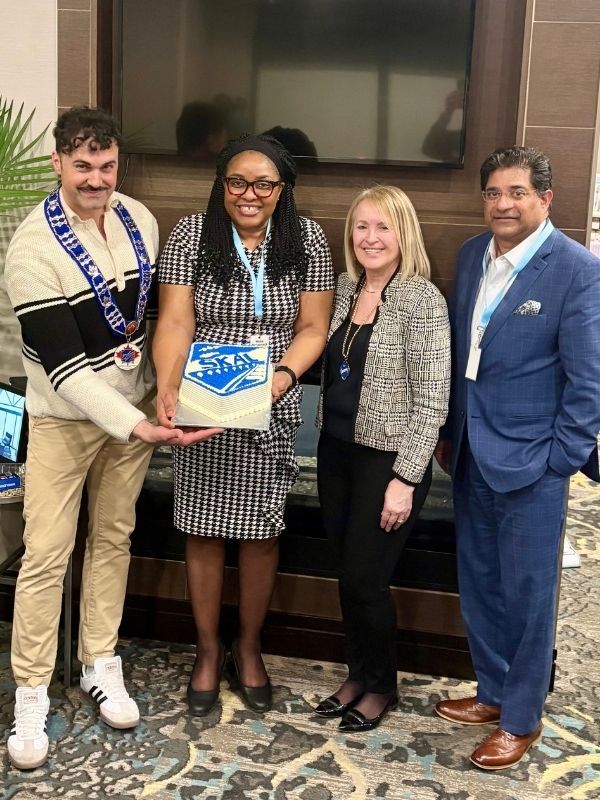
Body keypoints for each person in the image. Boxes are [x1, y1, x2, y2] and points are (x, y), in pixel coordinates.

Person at [3, 106, 219, 771]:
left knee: (114, 539)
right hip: (66, 421)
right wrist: (139, 423)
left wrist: (164, 388)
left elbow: (146, 318)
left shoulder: (140, 220)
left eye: (106, 164)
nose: (96, 179)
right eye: (82, 165)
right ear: (58, 163)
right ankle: (32, 691)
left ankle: (100, 659)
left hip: (132, 413)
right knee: (46, 552)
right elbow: (65, 370)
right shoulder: (32, 249)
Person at [153, 133, 334, 715]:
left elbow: (313, 327)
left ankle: (249, 646)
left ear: (283, 190)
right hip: (205, 403)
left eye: (263, 183)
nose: (248, 194)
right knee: (201, 528)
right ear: (221, 185)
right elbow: (176, 320)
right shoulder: (190, 234)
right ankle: (208, 649)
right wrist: (168, 382)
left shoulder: (308, 241)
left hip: (271, 400)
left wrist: (280, 378)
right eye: (237, 181)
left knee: (261, 533)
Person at [434, 146, 600, 770]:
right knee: (480, 582)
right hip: (471, 450)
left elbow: (588, 383)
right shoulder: (474, 254)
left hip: (535, 461)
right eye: (494, 193)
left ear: (545, 199)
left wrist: (563, 458)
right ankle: (494, 691)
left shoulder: (577, 269)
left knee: (529, 593)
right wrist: (453, 432)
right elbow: (461, 356)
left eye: (517, 193)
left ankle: (523, 717)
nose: (503, 205)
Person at [315, 185, 451, 732]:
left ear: (404, 234)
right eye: (362, 226)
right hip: (335, 453)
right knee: (348, 576)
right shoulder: (345, 288)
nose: (371, 238)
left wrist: (405, 479)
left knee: (368, 580)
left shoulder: (422, 301)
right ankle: (356, 674)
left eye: (383, 227)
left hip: (389, 462)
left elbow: (432, 400)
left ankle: (381, 687)